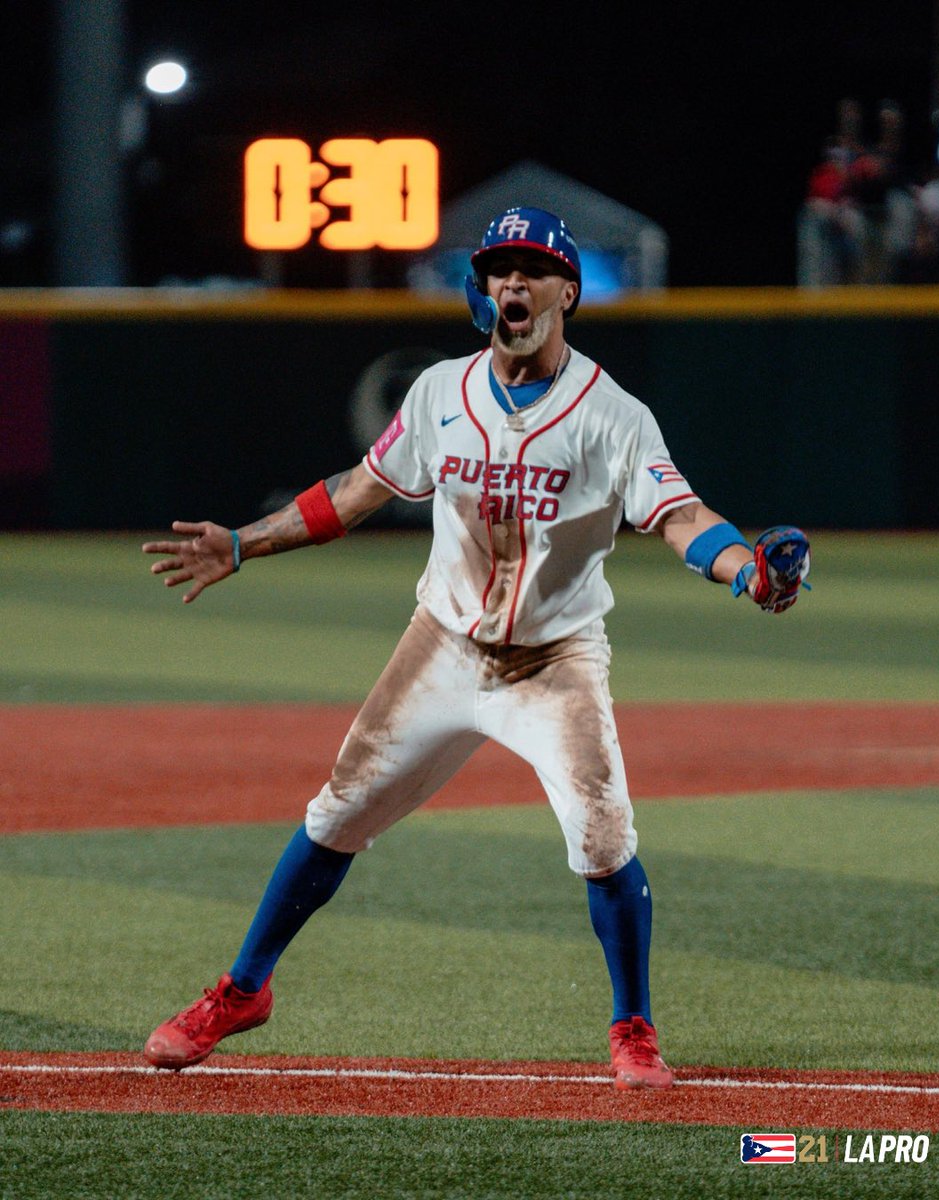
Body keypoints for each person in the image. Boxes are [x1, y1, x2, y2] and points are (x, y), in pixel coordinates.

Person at [142, 206, 808, 1090]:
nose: (513, 283)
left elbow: (679, 515)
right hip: (442, 646)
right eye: (499, 269)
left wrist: (745, 570)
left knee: (602, 838)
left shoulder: (612, 414)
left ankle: (633, 1027)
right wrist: (241, 543)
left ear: (567, 290)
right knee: (334, 817)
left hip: (555, 660)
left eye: (532, 269)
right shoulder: (439, 393)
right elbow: (354, 492)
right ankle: (241, 990)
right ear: (482, 289)